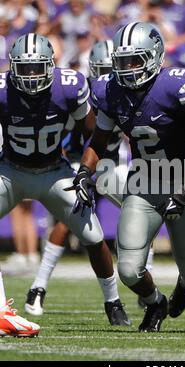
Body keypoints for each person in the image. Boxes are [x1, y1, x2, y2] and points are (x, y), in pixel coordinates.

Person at [69, 22, 185, 332]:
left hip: (184, 180)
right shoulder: (110, 92)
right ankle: (155, 302)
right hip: (144, 182)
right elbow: (98, 142)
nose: (128, 68)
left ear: (155, 56)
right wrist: (85, 171)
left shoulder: (175, 87)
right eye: (122, 61)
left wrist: (182, 191)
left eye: (135, 60)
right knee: (128, 269)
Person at [0, 33, 130, 337]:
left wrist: (85, 169)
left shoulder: (69, 86)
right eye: (24, 69)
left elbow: (93, 133)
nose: (31, 76)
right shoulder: (4, 90)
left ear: (51, 66)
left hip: (54, 172)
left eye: (37, 68)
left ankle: (113, 301)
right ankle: (2, 310)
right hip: (10, 169)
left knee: (93, 235)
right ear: (12, 68)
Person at [25, 39, 153, 316]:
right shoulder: (82, 91)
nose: (109, 75)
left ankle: (146, 277)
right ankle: (39, 285)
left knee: (142, 208)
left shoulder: (126, 93)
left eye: (112, 68)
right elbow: (62, 130)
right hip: (78, 161)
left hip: (112, 165)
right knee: (69, 218)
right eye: (103, 69)